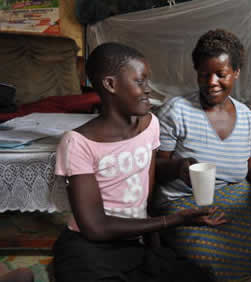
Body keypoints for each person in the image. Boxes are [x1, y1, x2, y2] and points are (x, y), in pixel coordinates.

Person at [53, 42, 226, 282]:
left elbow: (144, 172)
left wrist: (178, 167)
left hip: (135, 245)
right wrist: (173, 220)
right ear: (110, 84)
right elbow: (95, 226)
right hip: (89, 250)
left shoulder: (149, 124)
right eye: (140, 81)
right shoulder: (78, 142)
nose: (148, 90)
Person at [154, 29, 251, 281]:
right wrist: (179, 167)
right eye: (204, 74)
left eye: (221, 74)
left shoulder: (248, 118)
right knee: (214, 254)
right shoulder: (177, 111)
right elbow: (153, 167)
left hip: (237, 196)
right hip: (184, 202)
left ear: (236, 73)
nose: (211, 82)